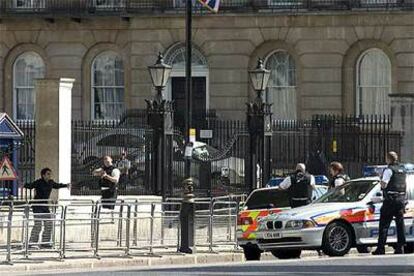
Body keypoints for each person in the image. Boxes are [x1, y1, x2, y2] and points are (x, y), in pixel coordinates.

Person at [24, 168, 70, 249]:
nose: (49, 176)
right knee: (38, 225)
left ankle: (45, 242)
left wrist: (66, 185)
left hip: (45, 206)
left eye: (50, 174)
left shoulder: (51, 182)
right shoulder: (38, 182)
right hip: (37, 206)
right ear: (43, 175)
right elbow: (30, 186)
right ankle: (32, 243)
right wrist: (23, 184)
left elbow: (57, 185)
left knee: (49, 224)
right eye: (48, 174)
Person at [372, 151, 407, 255]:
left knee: (384, 224)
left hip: (390, 200)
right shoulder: (402, 170)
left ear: (388, 159)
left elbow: (384, 185)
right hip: (401, 199)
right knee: (400, 224)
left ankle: (381, 248)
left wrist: (380, 178)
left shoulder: (389, 170)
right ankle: (400, 247)